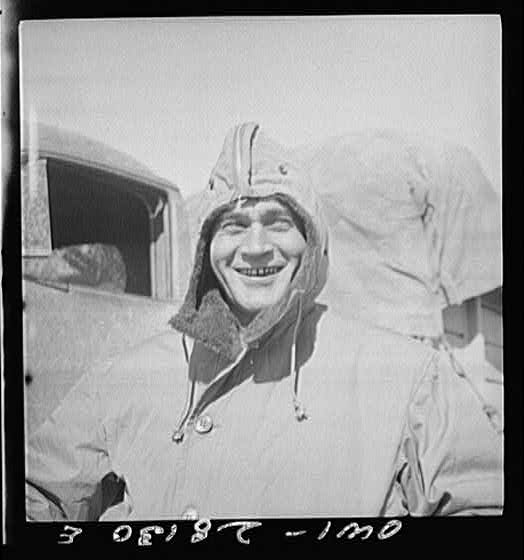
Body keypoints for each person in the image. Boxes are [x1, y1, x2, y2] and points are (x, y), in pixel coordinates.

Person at [26, 122, 503, 521]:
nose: (255, 246)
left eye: (278, 222)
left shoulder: (408, 377)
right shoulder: (125, 377)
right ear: (206, 249)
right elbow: (36, 502)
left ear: (311, 240)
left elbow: (482, 510)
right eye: (232, 225)